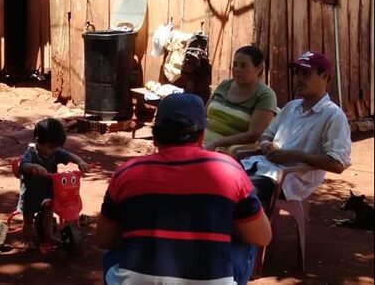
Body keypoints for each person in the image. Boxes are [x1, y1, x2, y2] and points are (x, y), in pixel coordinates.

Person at [97, 93, 271, 285]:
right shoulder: (230, 170)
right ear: (202, 136)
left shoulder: (126, 173)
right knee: (246, 243)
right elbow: (262, 237)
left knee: (113, 250)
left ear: (155, 136)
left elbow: (104, 239)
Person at [241, 51, 352, 204]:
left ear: (325, 76)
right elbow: (267, 135)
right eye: (297, 73)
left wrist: (294, 155)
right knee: (216, 178)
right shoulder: (291, 107)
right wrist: (266, 145)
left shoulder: (333, 116)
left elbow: (338, 164)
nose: (298, 79)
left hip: (287, 180)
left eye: (305, 74)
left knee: (240, 193)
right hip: (260, 165)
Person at [17, 117, 90, 249]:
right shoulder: (31, 153)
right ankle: (28, 240)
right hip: (31, 192)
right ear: (38, 140)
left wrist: (80, 162)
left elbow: (68, 155)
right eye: (50, 147)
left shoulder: (55, 151)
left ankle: (49, 236)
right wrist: (35, 167)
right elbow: (23, 165)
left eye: (55, 147)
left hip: (49, 190)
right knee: (28, 219)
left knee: (48, 215)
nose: (53, 150)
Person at [204, 45, 278, 152]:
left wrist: (216, 143)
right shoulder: (224, 85)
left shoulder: (265, 96)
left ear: (258, 68)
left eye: (243, 66)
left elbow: (253, 135)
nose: (237, 69)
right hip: (202, 140)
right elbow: (204, 114)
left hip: (227, 148)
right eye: (235, 65)